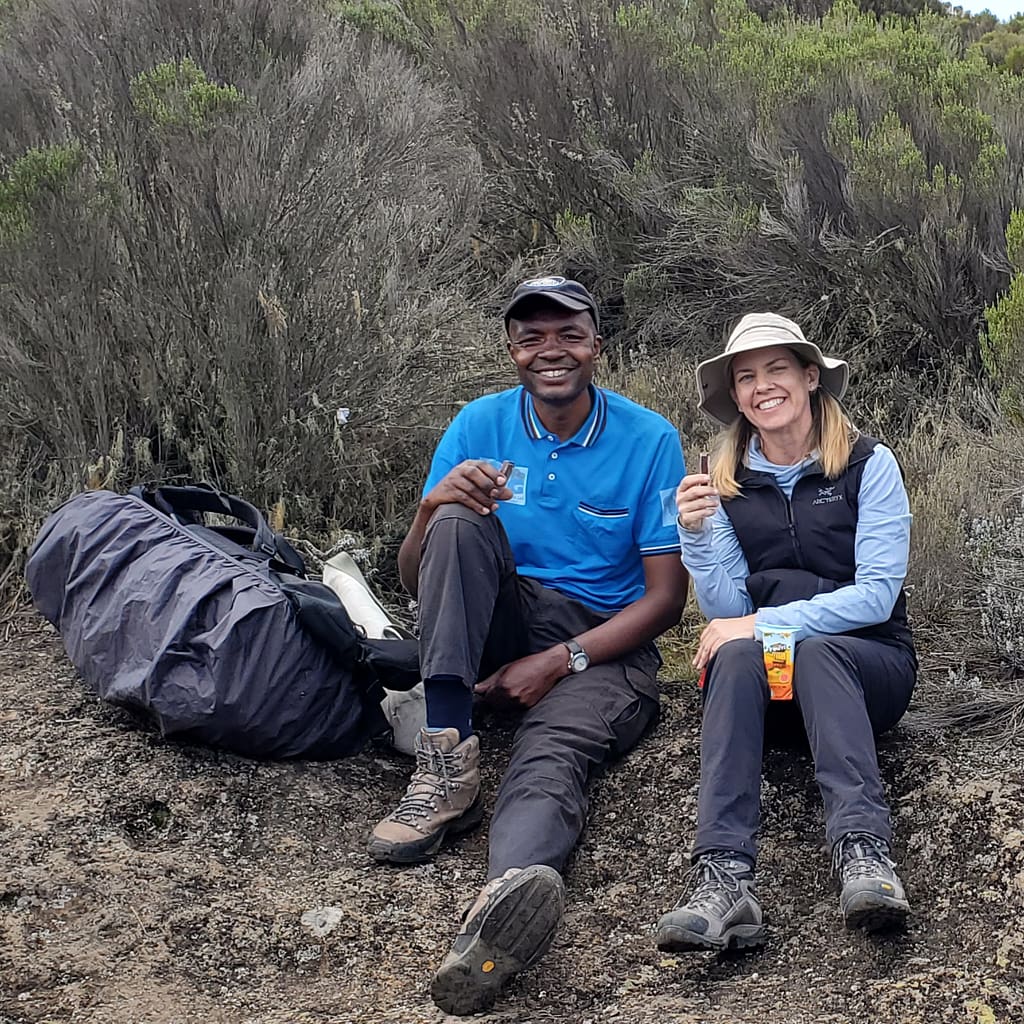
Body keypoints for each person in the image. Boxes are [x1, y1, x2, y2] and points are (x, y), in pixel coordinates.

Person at [367, 276, 688, 1014]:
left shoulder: (648, 440)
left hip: (599, 645)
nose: (551, 351)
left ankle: (505, 902)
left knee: (550, 752)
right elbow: (419, 577)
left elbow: (667, 600)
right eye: (531, 335)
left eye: (569, 334)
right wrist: (429, 506)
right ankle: (445, 760)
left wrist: (562, 660)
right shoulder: (478, 424)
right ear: (511, 348)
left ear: (596, 347)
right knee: (456, 520)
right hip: (502, 618)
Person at [654, 312, 917, 953]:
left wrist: (769, 621)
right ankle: (724, 878)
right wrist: (694, 538)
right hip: (770, 686)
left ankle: (863, 853)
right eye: (746, 376)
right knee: (736, 654)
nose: (762, 386)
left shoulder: (868, 464)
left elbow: (877, 595)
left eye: (777, 370)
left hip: (869, 670)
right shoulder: (721, 483)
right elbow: (724, 607)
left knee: (817, 650)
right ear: (735, 396)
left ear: (809, 377)